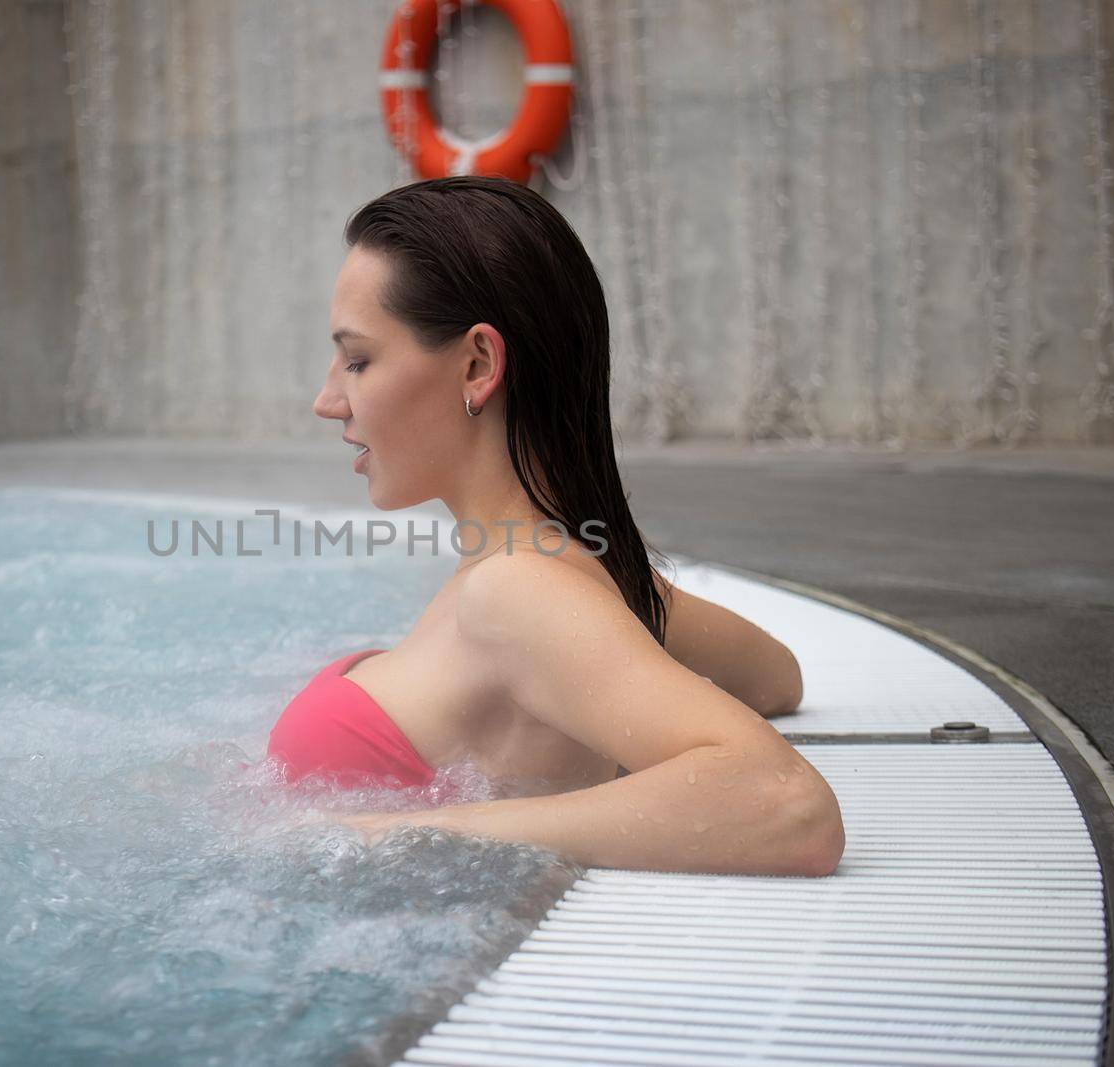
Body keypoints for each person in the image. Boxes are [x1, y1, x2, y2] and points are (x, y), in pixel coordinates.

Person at [267, 176, 844, 877]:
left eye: (358, 360)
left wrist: (404, 830)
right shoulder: (581, 576)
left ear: (477, 366)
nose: (327, 400)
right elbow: (775, 678)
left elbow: (788, 806)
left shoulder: (518, 592)